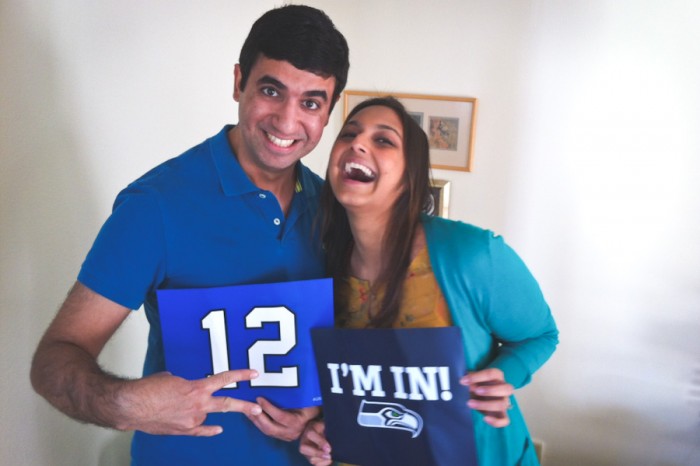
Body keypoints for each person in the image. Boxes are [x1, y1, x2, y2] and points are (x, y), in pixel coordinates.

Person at [30, 5, 349, 466]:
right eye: (271, 90)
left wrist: (323, 418)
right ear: (239, 82)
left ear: (328, 111)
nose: (286, 120)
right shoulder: (155, 206)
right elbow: (53, 361)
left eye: (311, 103)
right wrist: (127, 404)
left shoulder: (335, 212)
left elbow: (345, 356)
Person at [298, 97, 559, 466]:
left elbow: (541, 334)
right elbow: (351, 389)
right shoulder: (320, 265)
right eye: (349, 134)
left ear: (409, 178)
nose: (357, 143)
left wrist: (505, 375)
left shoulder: (471, 254)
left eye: (383, 140)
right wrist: (323, 432)